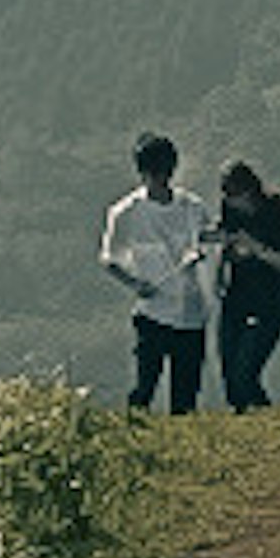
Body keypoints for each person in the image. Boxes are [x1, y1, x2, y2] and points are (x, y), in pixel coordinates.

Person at [99, 128, 213, 412]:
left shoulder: (192, 206)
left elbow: (206, 239)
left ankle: (186, 443)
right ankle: (136, 438)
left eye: (164, 173)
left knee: (185, 394)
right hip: (152, 312)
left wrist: (200, 251)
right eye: (154, 174)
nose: (160, 180)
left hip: (191, 310)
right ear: (143, 173)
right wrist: (136, 284)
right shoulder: (125, 211)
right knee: (144, 386)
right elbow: (108, 259)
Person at [212, 162, 280, 408]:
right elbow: (228, 242)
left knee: (245, 373)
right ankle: (246, 420)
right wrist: (219, 271)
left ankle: (262, 417)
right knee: (229, 368)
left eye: (234, 196)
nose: (231, 202)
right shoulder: (230, 209)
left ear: (248, 193)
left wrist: (256, 248)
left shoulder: (278, 214)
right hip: (239, 294)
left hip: (273, 299)